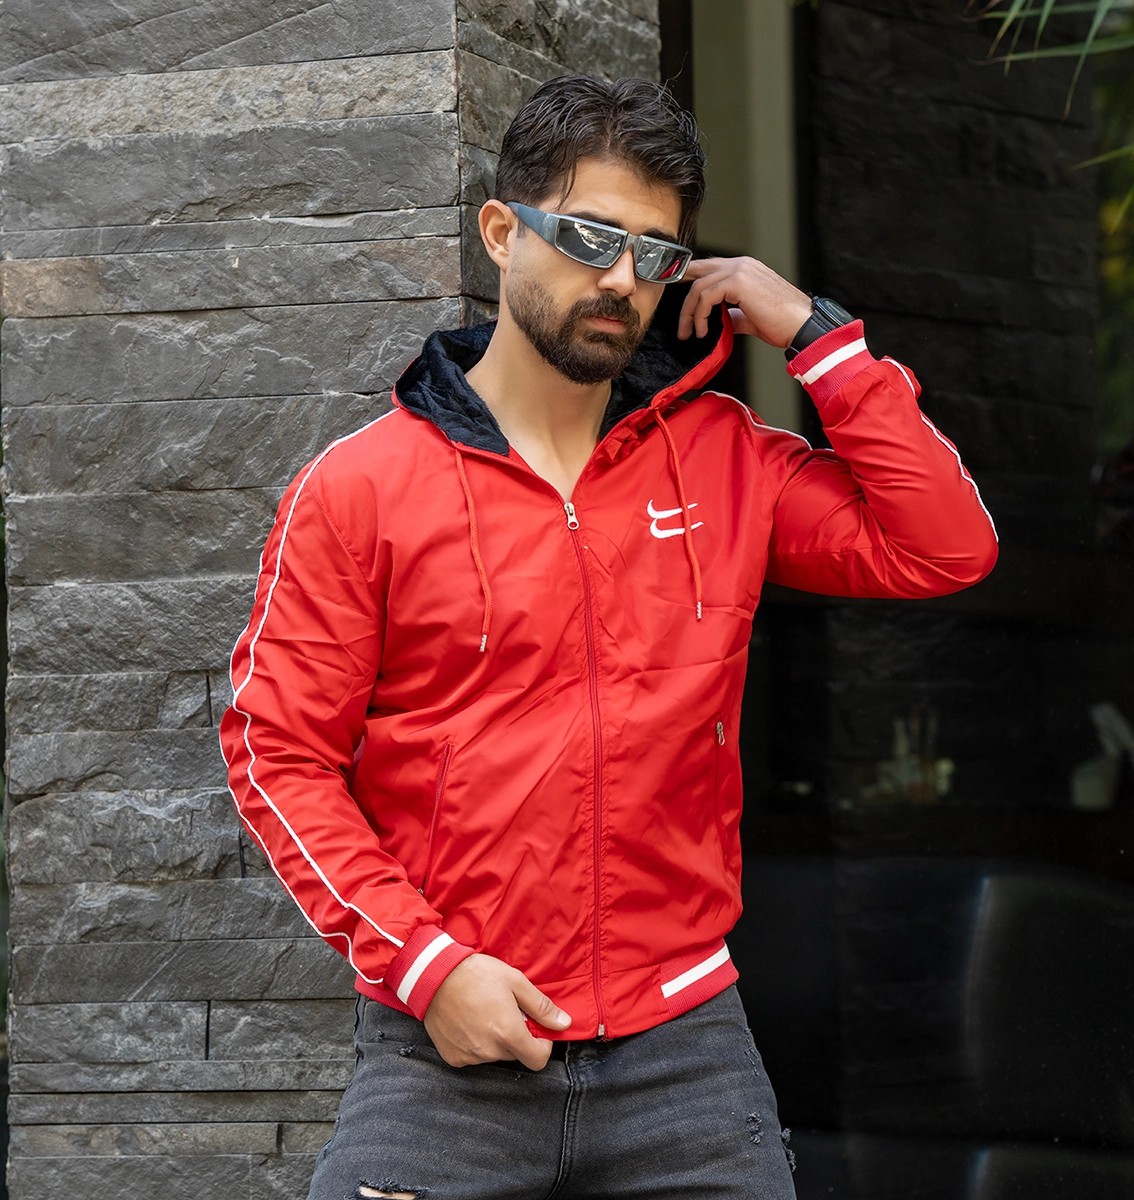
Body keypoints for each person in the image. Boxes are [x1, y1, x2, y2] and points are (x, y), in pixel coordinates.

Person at [221, 74, 998, 1200]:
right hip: (449, 1053)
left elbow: (943, 547)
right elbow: (277, 752)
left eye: (656, 253)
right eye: (589, 237)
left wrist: (812, 334)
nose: (623, 279)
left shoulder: (723, 457)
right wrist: (425, 968)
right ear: (503, 231)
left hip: (684, 1057)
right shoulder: (360, 489)